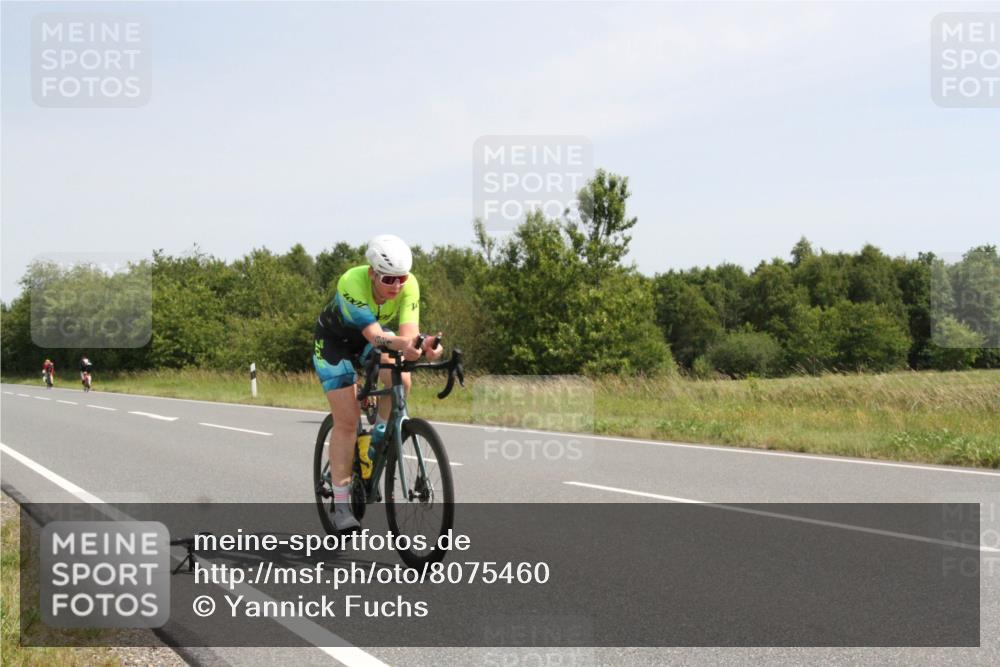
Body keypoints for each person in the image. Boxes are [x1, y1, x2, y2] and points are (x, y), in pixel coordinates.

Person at [313, 234, 442, 532]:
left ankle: (379, 436)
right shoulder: (351, 282)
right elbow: (376, 337)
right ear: (372, 273)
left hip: (373, 337)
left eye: (401, 278)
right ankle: (343, 505)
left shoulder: (410, 285)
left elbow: (409, 333)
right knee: (346, 420)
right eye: (388, 280)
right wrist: (407, 343)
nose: (396, 286)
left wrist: (427, 346)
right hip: (336, 344)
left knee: (403, 378)